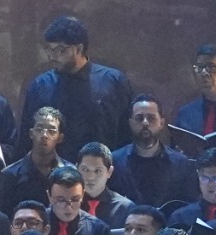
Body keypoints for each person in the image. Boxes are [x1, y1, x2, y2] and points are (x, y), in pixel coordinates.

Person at [18, 16, 134, 154]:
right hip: (54, 172)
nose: (52, 56)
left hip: (104, 169)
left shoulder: (113, 82)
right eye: (49, 49)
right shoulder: (41, 85)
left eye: (61, 50)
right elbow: (26, 138)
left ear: (79, 49)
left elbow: (128, 133)